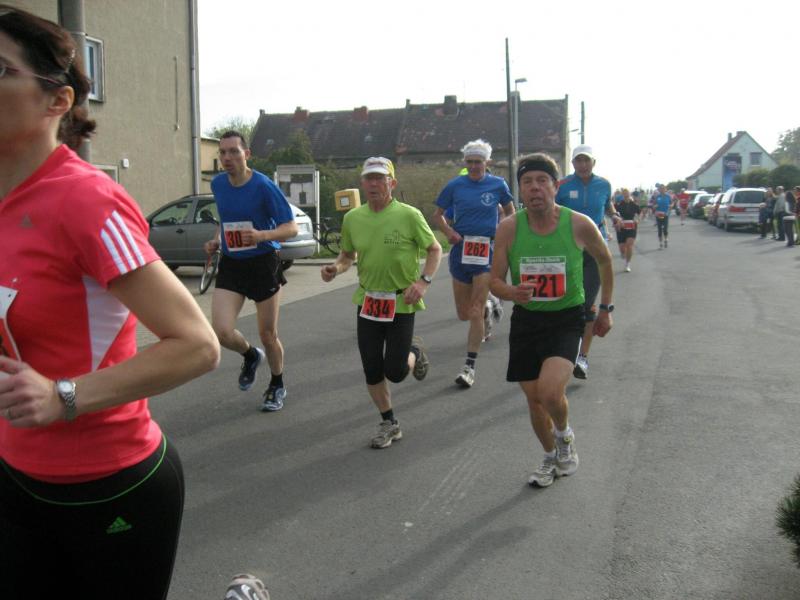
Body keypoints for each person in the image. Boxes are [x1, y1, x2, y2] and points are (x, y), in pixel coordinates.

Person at [0, 7, 220, 598]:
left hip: (109, 483)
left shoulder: (86, 201)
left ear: (56, 101)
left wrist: (63, 396)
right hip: (14, 474)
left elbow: (197, 346)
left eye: (0, 69)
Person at [490, 153, 614, 487]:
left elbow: (605, 261)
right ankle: (549, 457)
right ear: (520, 190)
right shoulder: (509, 228)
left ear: (555, 186)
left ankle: (564, 435)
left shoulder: (578, 224)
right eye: (527, 182)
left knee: (549, 392)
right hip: (527, 320)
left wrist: (605, 309)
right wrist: (511, 291)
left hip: (566, 318)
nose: (535, 188)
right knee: (534, 400)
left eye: (542, 181)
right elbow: (494, 281)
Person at [321, 157, 441, 448]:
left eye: (380, 178)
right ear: (362, 183)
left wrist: (423, 282)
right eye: (369, 179)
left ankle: (414, 351)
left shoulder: (409, 215)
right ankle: (389, 422)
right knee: (372, 368)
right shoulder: (353, 218)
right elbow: (347, 256)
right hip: (368, 301)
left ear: (392, 183)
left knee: (395, 372)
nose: (374, 184)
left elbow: (434, 249)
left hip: (402, 301)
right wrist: (335, 268)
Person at [205, 131, 298, 412]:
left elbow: (291, 228)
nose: (227, 158)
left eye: (234, 151)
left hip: (263, 262)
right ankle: (249, 355)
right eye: (223, 152)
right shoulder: (218, 184)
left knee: (268, 334)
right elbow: (225, 219)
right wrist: (216, 240)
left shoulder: (263, 186)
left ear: (247, 154)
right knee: (221, 331)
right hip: (232, 263)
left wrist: (261, 235)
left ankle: (277, 384)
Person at [432, 139, 514, 388]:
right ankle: (491, 303)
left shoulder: (498, 184)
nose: (474, 166)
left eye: (478, 162)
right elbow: (437, 215)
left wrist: (502, 232)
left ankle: (469, 367)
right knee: (464, 313)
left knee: (475, 311)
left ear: (487, 162)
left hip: (486, 250)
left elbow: (511, 212)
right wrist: (448, 232)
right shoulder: (455, 185)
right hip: (461, 249)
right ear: (465, 162)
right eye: (470, 162)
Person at [555, 144, 619, 380]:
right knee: (563, 301)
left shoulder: (604, 184)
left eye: (586, 161)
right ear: (573, 163)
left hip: (594, 249)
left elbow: (607, 205)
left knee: (587, 303)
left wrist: (615, 215)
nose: (582, 165)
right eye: (578, 161)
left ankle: (582, 356)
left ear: (593, 162)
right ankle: (562, 349)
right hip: (566, 248)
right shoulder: (562, 185)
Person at [615, 188, 641, 272]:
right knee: (622, 248)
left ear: (629, 194)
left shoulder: (634, 204)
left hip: (632, 227)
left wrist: (637, 220)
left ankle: (628, 264)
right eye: (624, 193)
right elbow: (613, 214)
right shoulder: (618, 204)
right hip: (621, 228)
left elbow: (639, 213)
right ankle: (623, 253)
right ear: (622, 195)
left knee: (629, 245)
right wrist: (617, 221)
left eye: (627, 193)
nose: (626, 195)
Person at [653, 184, 673, 249]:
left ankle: (666, 240)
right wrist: (655, 206)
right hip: (658, 215)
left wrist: (671, 206)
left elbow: (672, 203)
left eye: (663, 188)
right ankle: (660, 244)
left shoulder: (668, 196)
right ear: (659, 189)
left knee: (665, 229)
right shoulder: (657, 197)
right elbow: (653, 205)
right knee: (659, 230)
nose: (662, 190)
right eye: (660, 188)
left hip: (665, 214)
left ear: (665, 189)